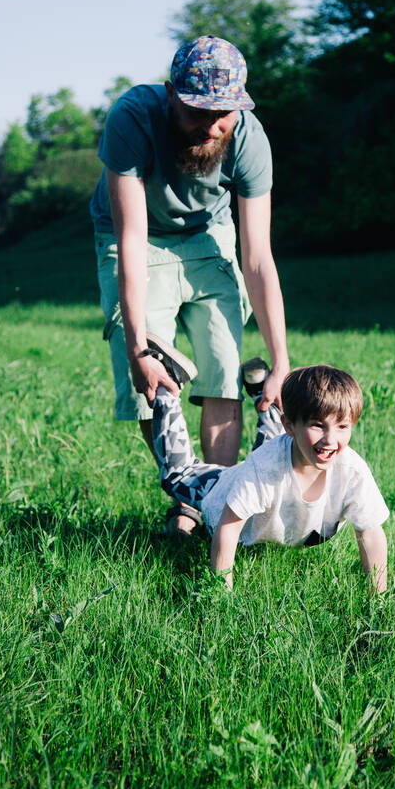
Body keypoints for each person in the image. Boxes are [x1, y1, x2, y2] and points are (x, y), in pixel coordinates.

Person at [90, 35, 290, 533]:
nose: (212, 125)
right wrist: (138, 346)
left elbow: (259, 256)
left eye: (223, 112)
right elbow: (132, 239)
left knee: (222, 372)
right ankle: (193, 492)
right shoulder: (132, 117)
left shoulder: (247, 137)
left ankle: (209, 504)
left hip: (208, 236)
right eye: (199, 110)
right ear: (171, 93)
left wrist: (282, 360)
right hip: (137, 239)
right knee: (147, 387)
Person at [146, 337, 390, 593]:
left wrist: (379, 600)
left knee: (280, 448)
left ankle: (263, 390)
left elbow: (370, 534)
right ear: (290, 426)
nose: (331, 439)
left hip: (277, 463)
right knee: (176, 476)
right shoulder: (264, 467)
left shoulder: (351, 470)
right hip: (220, 490)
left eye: (342, 427)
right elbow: (228, 529)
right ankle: (168, 387)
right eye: (317, 425)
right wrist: (221, 597)